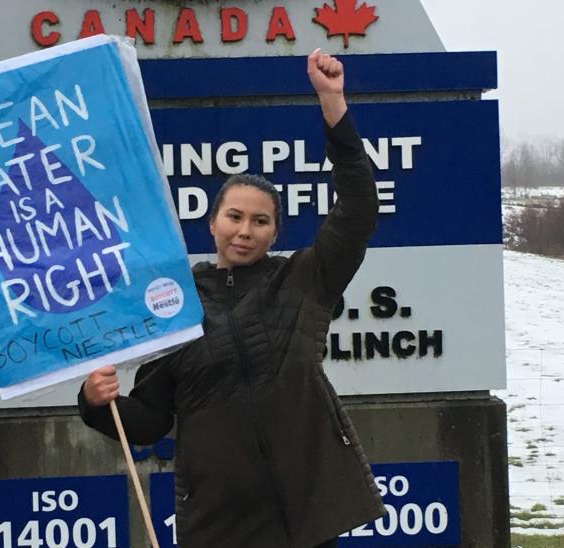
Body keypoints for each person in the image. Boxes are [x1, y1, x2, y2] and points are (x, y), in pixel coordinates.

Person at [79, 49, 383, 548]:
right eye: (234, 217)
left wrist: (333, 104)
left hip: (304, 518)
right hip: (218, 523)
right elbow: (151, 419)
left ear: (276, 230)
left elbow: (359, 208)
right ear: (212, 222)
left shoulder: (305, 279)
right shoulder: (174, 303)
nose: (245, 231)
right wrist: (96, 402)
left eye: (260, 221)